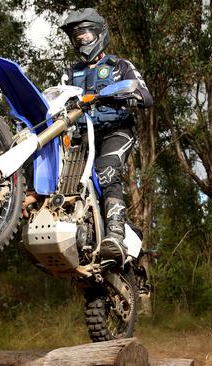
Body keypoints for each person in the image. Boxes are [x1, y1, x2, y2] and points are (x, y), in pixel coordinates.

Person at [59, 8, 153, 266]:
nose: (81, 41)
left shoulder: (119, 66)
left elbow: (145, 96)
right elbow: (57, 100)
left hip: (116, 130)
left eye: (85, 35)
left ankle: (116, 235)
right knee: (64, 181)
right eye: (76, 38)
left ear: (99, 34)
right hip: (82, 136)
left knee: (107, 170)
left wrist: (123, 93)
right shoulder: (70, 73)